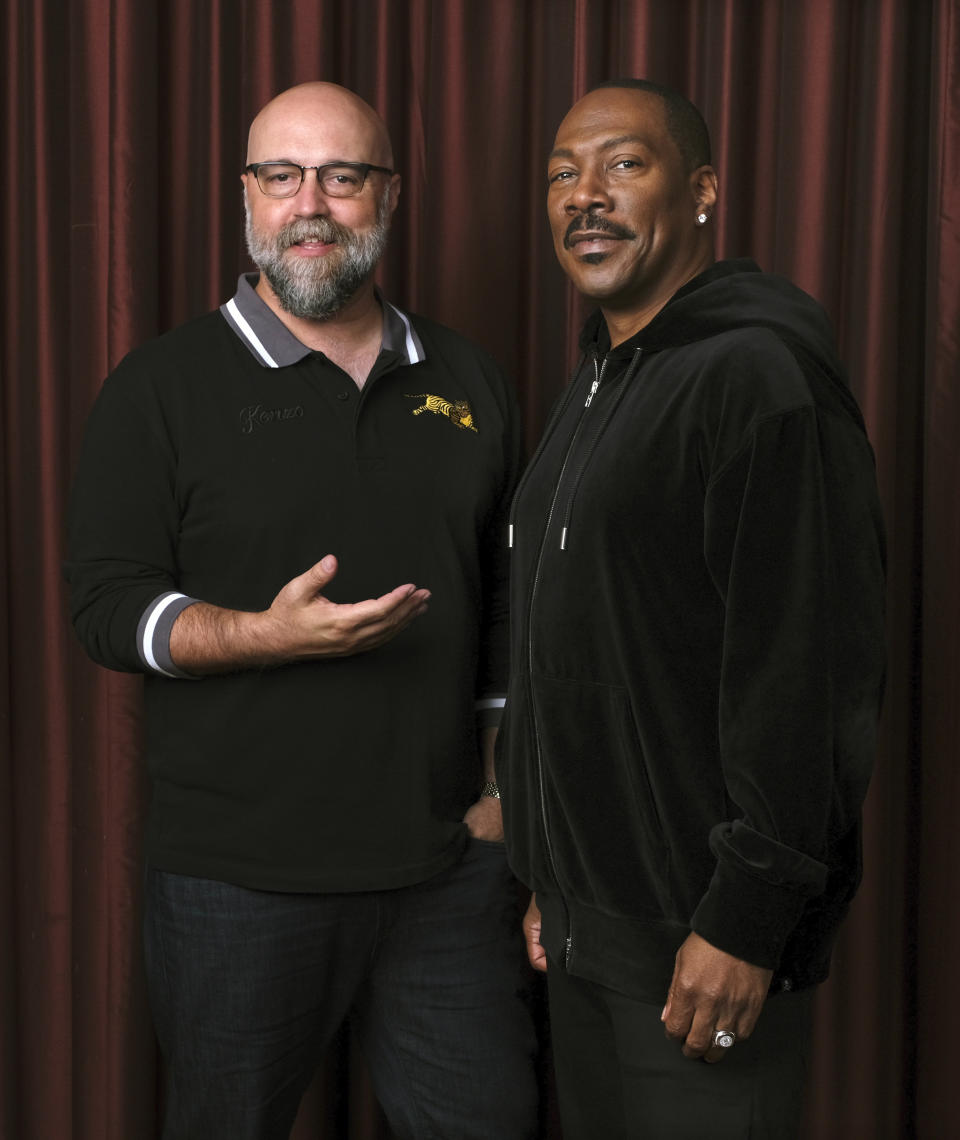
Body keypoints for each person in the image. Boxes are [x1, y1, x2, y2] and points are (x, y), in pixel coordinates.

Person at [66, 81, 537, 1140]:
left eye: (342, 176)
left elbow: (508, 609)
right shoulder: (159, 389)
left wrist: (502, 802)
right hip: (238, 885)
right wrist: (263, 636)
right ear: (246, 197)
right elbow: (104, 608)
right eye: (282, 176)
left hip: (444, 877)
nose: (310, 203)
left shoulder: (469, 379)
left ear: (391, 194)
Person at [498, 78, 886, 1139]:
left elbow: (808, 675)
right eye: (561, 175)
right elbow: (587, 655)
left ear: (704, 189)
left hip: (697, 954)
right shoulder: (596, 383)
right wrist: (555, 880)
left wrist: (747, 926)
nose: (586, 195)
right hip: (588, 940)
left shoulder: (759, 379)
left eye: (623, 165)